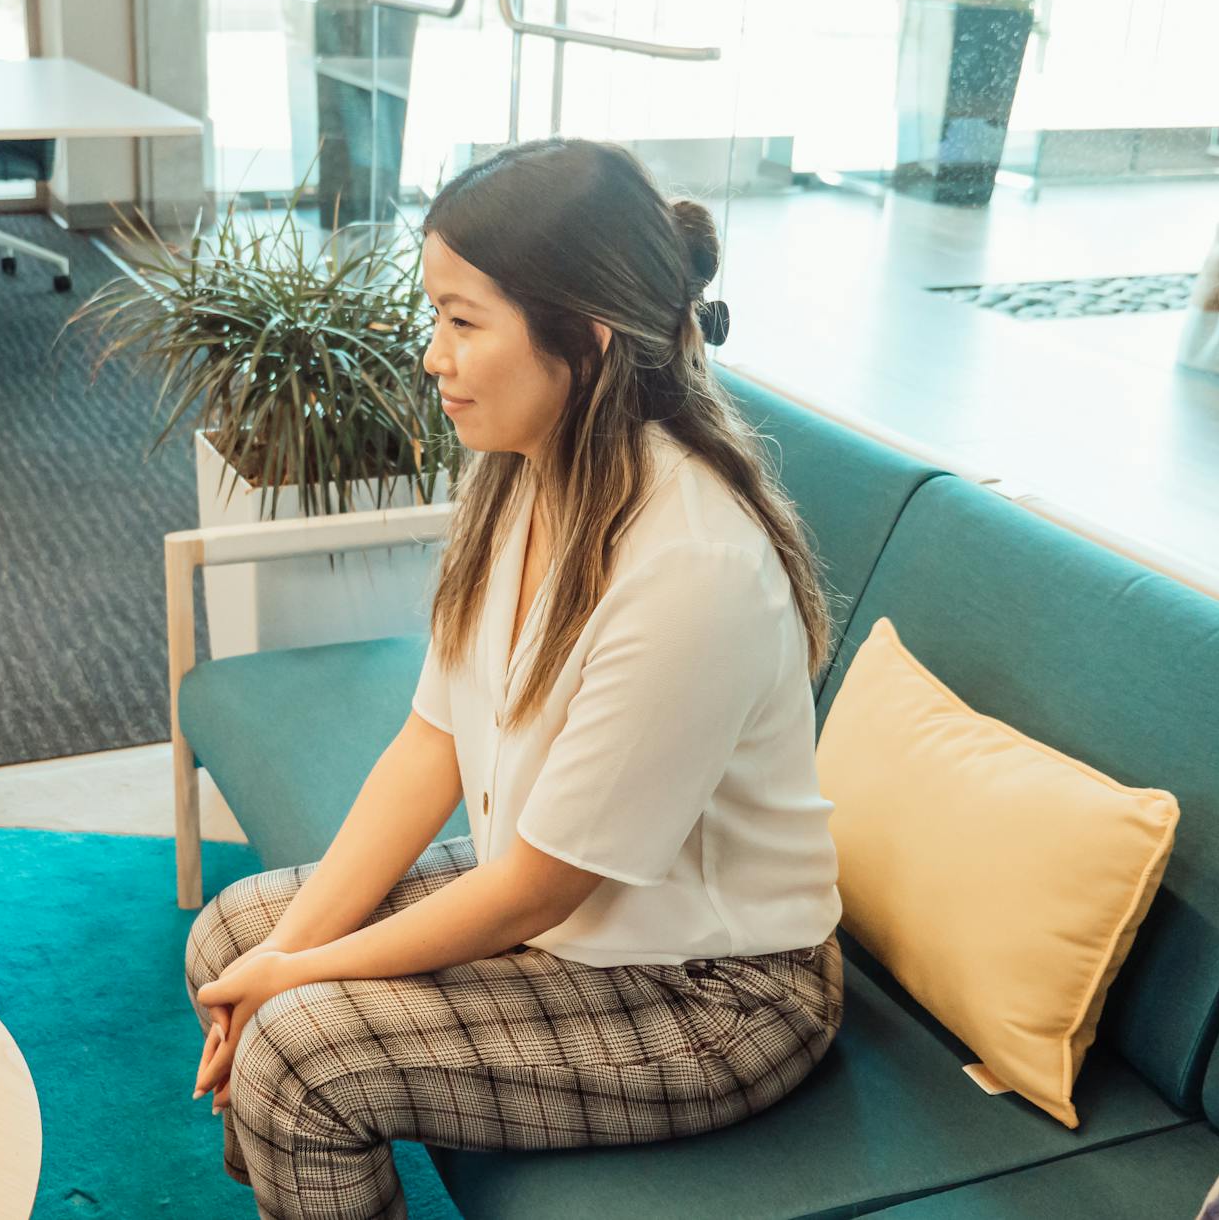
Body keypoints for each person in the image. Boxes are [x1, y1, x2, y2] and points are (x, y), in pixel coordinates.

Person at [185, 137, 845, 1220]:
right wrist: (289, 952)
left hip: (716, 989)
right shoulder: (518, 474)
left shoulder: (689, 564)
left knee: (302, 1051)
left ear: (581, 339)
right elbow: (430, 742)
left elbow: (539, 887)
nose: (431, 356)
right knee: (236, 939)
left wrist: (297, 979)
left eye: (460, 320)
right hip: (580, 912)